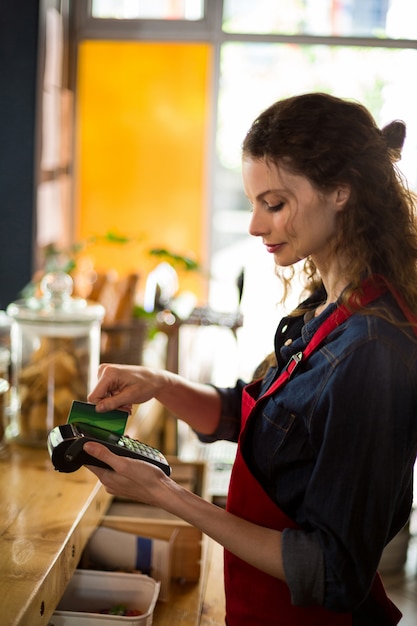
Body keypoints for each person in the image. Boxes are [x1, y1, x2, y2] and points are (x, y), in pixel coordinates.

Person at [84, 92, 417, 625]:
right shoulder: (327, 307)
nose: (255, 226)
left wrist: (166, 494)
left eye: (275, 204)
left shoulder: (373, 353)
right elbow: (256, 416)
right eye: (254, 203)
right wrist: (160, 384)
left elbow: (334, 572)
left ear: (341, 192)